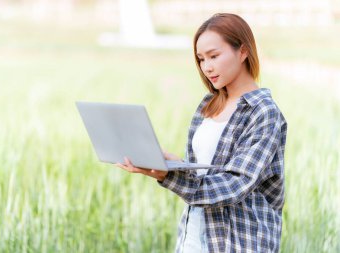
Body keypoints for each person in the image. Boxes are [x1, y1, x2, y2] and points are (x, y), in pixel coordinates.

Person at [115, 13, 287, 253]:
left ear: (243, 51)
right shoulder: (209, 104)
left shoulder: (264, 113)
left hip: (239, 243)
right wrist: (175, 165)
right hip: (193, 236)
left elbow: (235, 184)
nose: (207, 67)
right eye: (201, 59)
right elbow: (203, 172)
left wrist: (168, 176)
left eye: (214, 56)